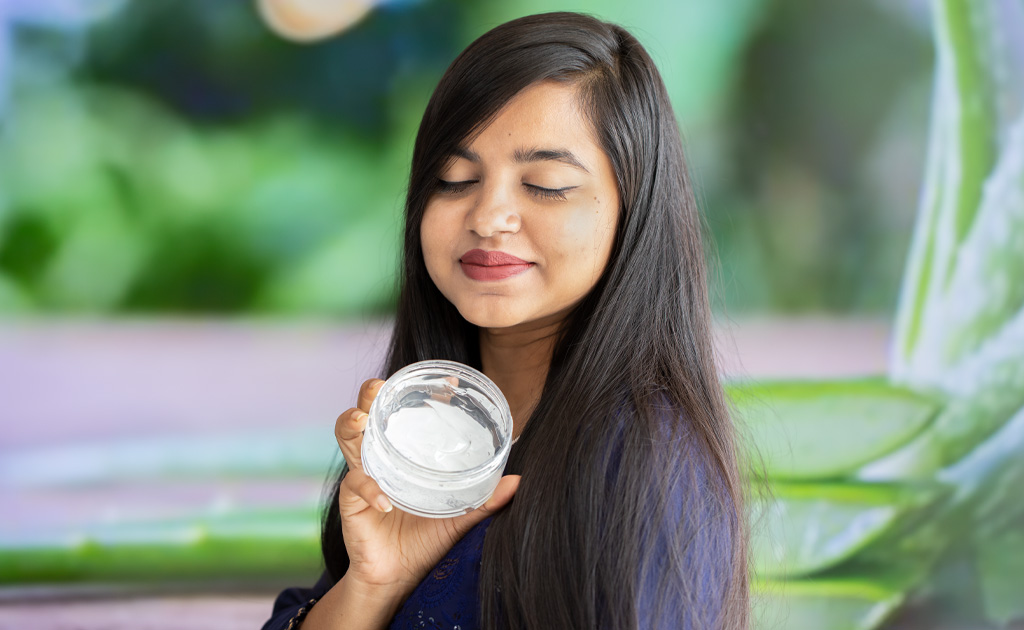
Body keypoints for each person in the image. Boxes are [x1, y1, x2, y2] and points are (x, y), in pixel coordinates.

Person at [263, 11, 749, 630]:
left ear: (634, 209)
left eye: (545, 185)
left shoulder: (646, 459)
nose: (489, 216)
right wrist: (373, 584)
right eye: (455, 179)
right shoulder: (423, 442)